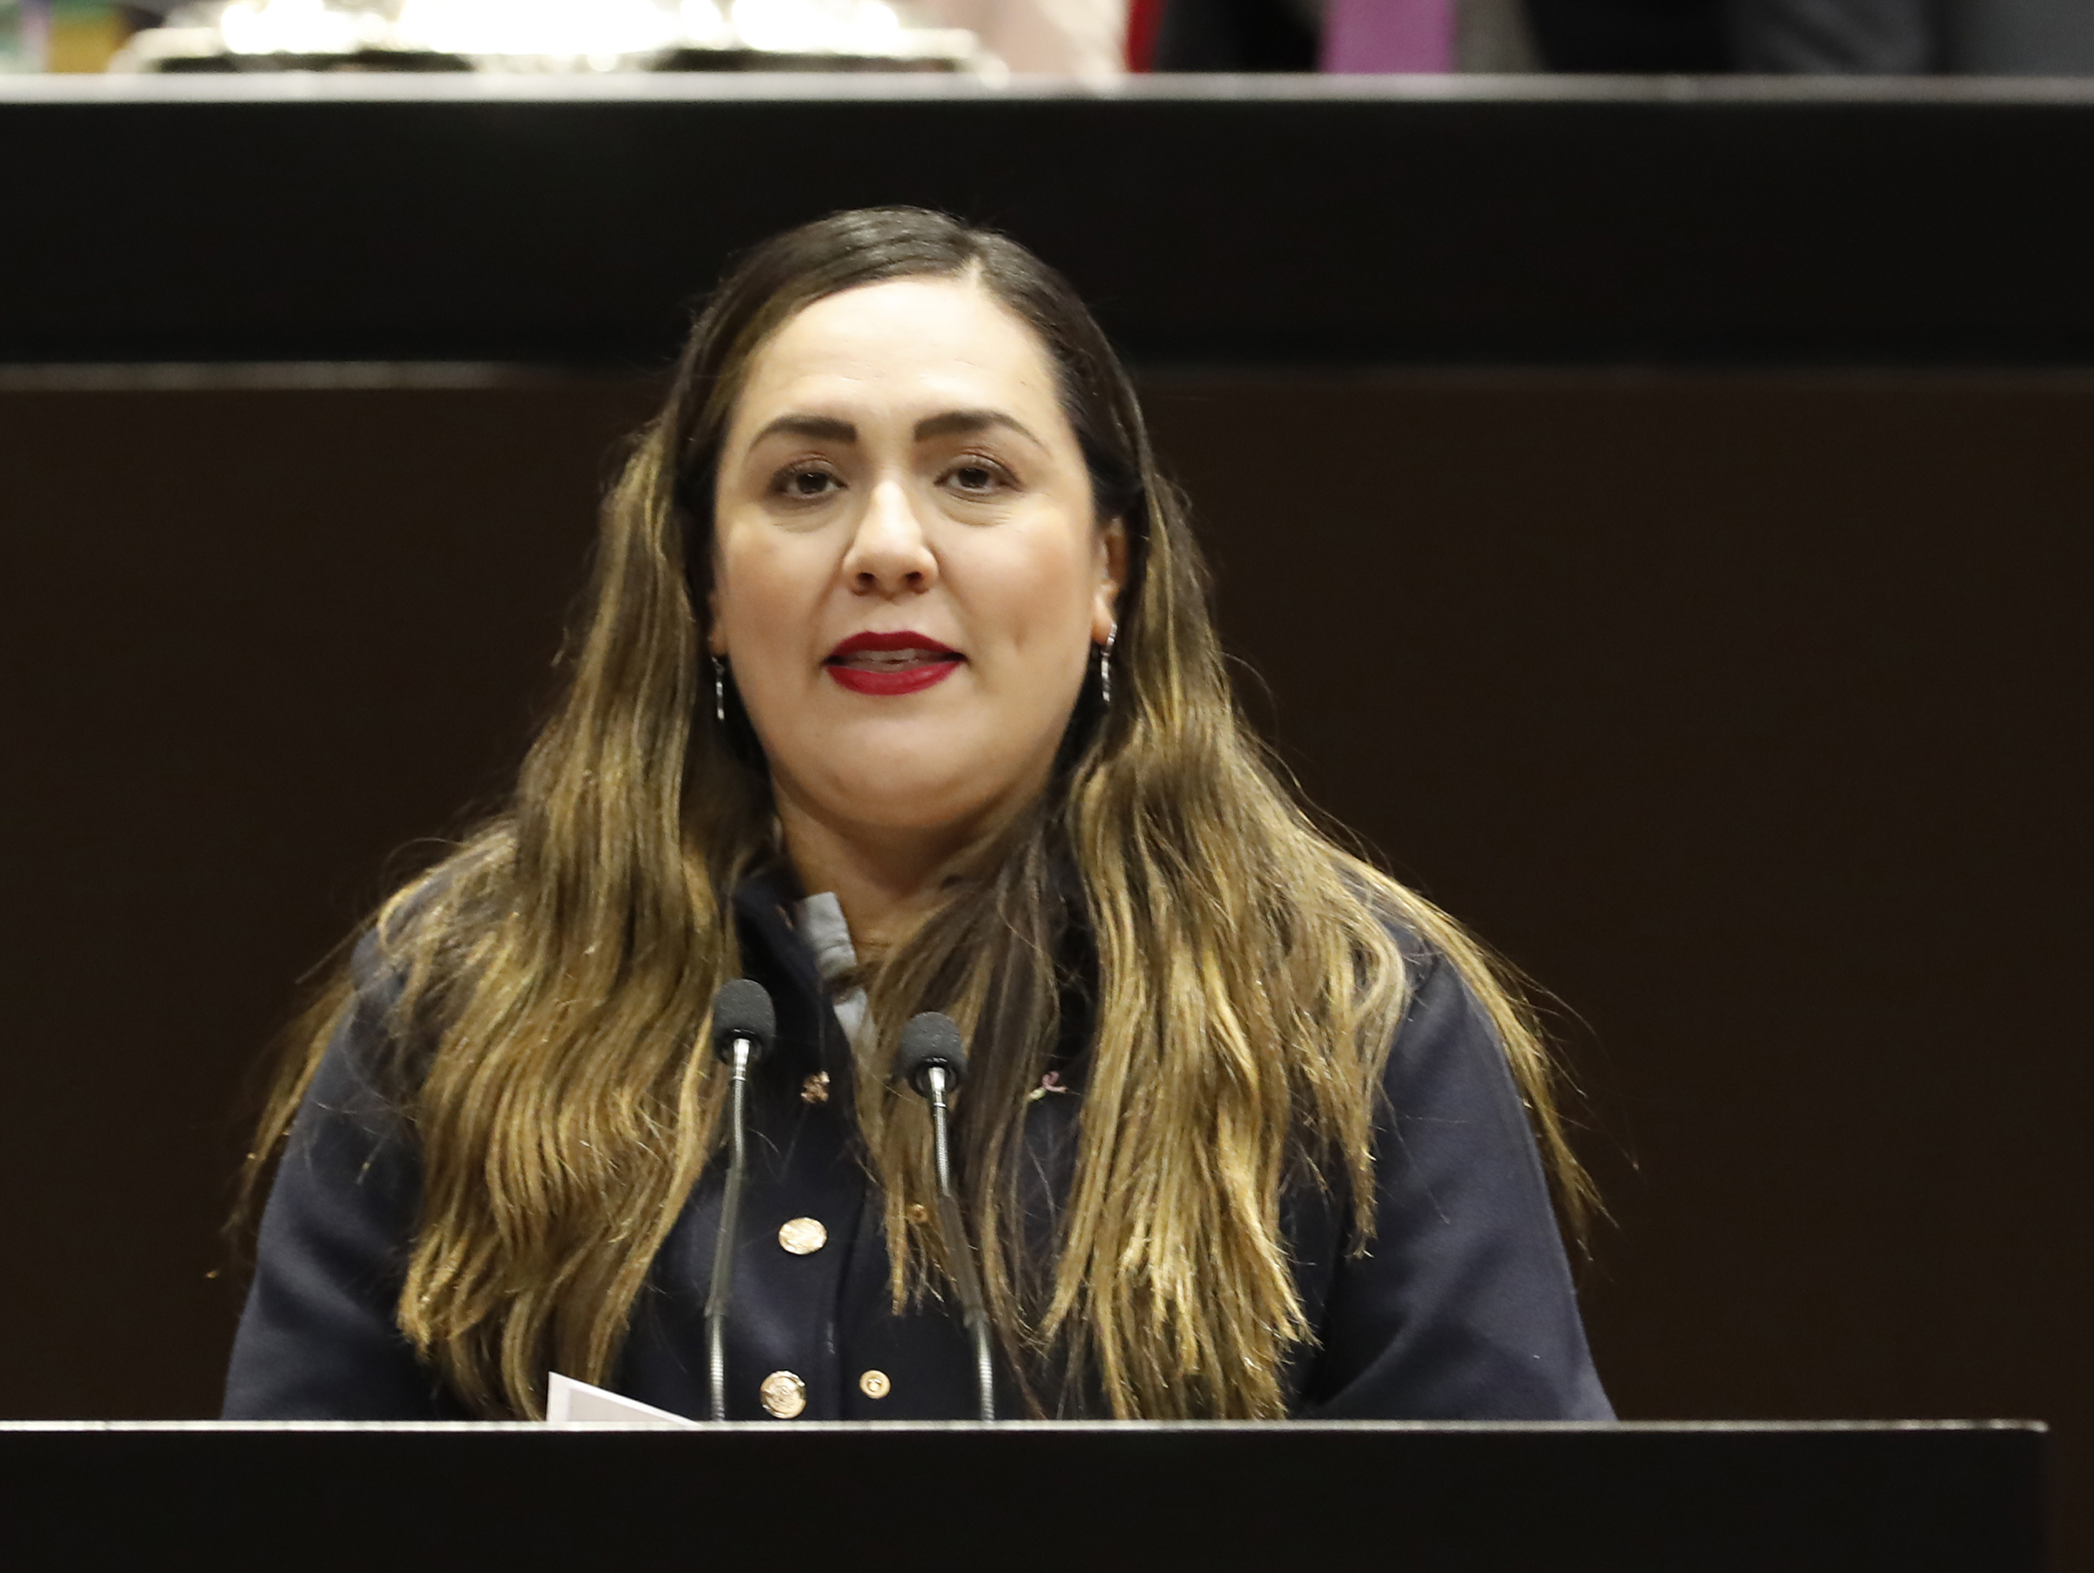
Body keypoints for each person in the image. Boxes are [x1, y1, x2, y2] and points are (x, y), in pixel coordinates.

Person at [224, 206, 1611, 1425]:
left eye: (974, 476)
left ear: (1108, 569)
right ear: (706, 585)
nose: (887, 546)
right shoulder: (462, 996)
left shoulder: (1349, 1013)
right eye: (806, 482)